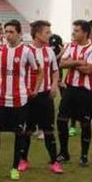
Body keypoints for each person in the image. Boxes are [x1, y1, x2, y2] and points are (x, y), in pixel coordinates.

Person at [0, 20, 37, 181]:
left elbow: (36, 70)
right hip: (1, 99)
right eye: (6, 32)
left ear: (19, 33)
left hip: (19, 99)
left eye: (11, 32)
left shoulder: (26, 51)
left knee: (18, 133)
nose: (8, 35)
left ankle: (14, 167)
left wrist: (32, 89)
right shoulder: (0, 52)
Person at [57, 20, 92, 167]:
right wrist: (79, 62)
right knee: (61, 120)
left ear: (85, 33)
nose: (73, 33)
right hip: (70, 89)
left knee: (85, 123)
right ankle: (64, 152)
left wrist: (72, 62)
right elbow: (62, 63)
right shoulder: (70, 46)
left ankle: (84, 155)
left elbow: (89, 70)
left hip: (85, 91)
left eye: (77, 31)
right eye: (73, 30)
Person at [25, 20, 64, 174]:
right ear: (37, 34)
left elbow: (55, 70)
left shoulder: (49, 51)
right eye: (47, 32)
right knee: (26, 130)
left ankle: (54, 162)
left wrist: (54, 84)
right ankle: (23, 160)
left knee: (48, 129)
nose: (50, 35)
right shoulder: (26, 51)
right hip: (29, 96)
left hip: (46, 95)